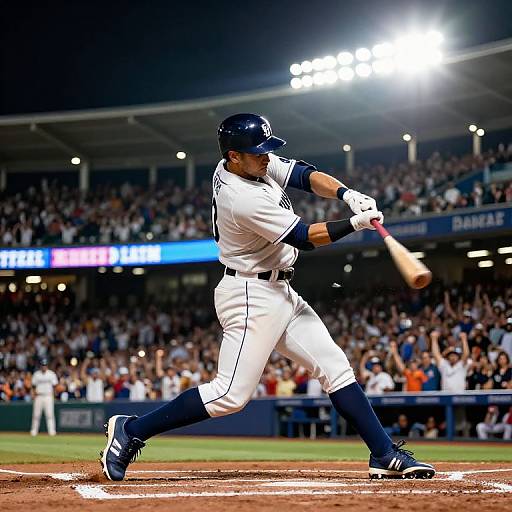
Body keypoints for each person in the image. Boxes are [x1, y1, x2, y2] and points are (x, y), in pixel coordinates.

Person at [100, 112, 434, 481]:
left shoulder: (246, 163)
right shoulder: (240, 197)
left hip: (280, 289)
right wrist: (354, 223)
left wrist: (346, 194)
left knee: (335, 367)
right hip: (249, 293)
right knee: (229, 395)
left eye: (265, 150)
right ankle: (131, 431)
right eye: (256, 152)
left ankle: (384, 454)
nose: (265, 157)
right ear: (233, 156)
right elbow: (304, 238)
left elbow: (303, 175)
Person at [30, 359, 58, 436]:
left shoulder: (51, 374)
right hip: (38, 396)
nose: (44, 367)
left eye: (45, 365)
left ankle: (51, 431)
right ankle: (34, 431)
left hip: (48, 395)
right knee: (36, 414)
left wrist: (55, 395)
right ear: (40, 366)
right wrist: (32, 394)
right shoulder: (36, 374)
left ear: (47, 366)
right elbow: (33, 386)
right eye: (42, 365)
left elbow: (55, 386)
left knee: (50, 414)